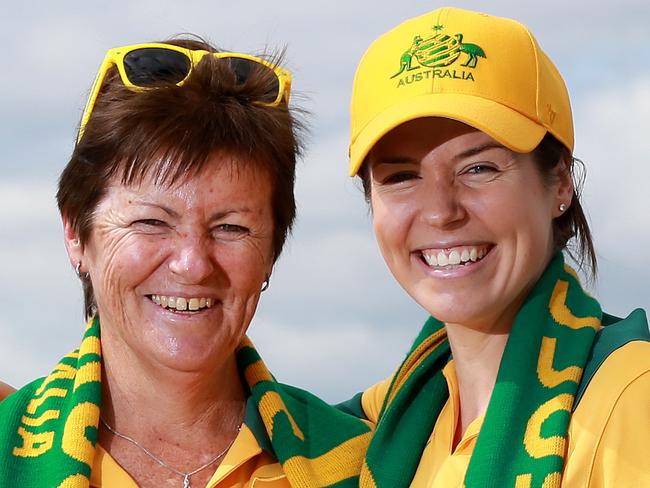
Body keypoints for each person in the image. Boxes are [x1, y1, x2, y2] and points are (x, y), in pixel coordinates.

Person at [0, 37, 373, 488]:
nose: (193, 264)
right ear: (76, 233)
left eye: (231, 227)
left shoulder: (368, 463)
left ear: (272, 250)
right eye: (152, 221)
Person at [346, 7, 650, 488]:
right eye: (401, 177)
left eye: (479, 168)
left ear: (559, 184)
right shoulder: (371, 430)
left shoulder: (632, 393)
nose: (440, 211)